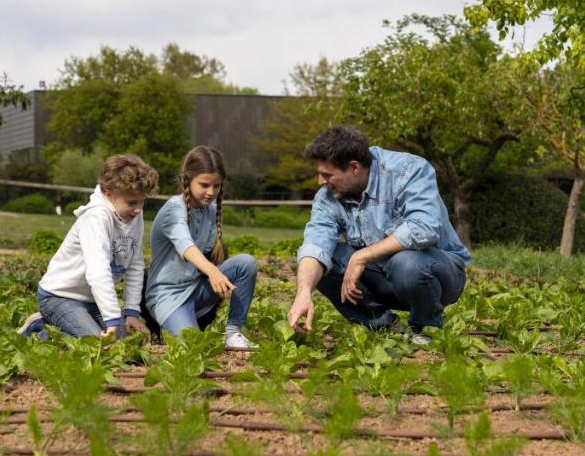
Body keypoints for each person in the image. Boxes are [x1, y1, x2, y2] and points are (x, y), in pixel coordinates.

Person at [286, 126, 470, 347]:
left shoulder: (407, 170)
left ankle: (425, 328)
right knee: (325, 260)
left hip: (437, 274)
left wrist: (361, 256)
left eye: (327, 175)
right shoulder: (327, 197)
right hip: (383, 277)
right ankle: (385, 325)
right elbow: (316, 243)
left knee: (407, 262)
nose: (320, 182)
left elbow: (424, 227)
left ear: (354, 167)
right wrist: (304, 292)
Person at [17, 154, 157, 340]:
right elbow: (99, 272)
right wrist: (113, 319)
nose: (138, 209)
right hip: (59, 297)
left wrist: (131, 311)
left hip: (92, 301)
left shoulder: (134, 215)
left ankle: (55, 324)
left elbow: (135, 264)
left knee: (126, 344)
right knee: (95, 344)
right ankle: (39, 331)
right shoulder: (96, 218)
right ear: (108, 194)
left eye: (142, 201)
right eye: (132, 203)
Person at [144, 146, 258, 351]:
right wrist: (213, 271)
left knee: (245, 263)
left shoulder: (210, 211)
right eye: (204, 185)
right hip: (168, 297)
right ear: (187, 180)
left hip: (196, 291)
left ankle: (233, 332)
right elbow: (187, 247)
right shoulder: (173, 209)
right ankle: (167, 325)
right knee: (194, 349)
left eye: (216, 186)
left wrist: (216, 271)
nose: (211, 192)